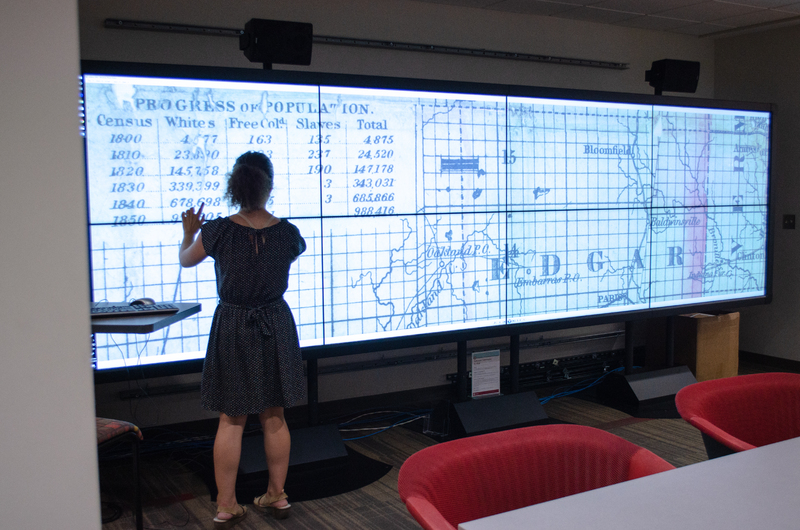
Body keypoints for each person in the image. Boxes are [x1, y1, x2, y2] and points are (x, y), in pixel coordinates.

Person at [179, 151, 306, 529]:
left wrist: (188, 231)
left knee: (231, 420)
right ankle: (277, 495)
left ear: (235, 185)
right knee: (275, 415)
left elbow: (187, 260)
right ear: (268, 185)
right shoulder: (287, 233)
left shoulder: (217, 230)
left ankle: (226, 504)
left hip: (233, 322)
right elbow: (287, 255)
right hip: (275, 322)